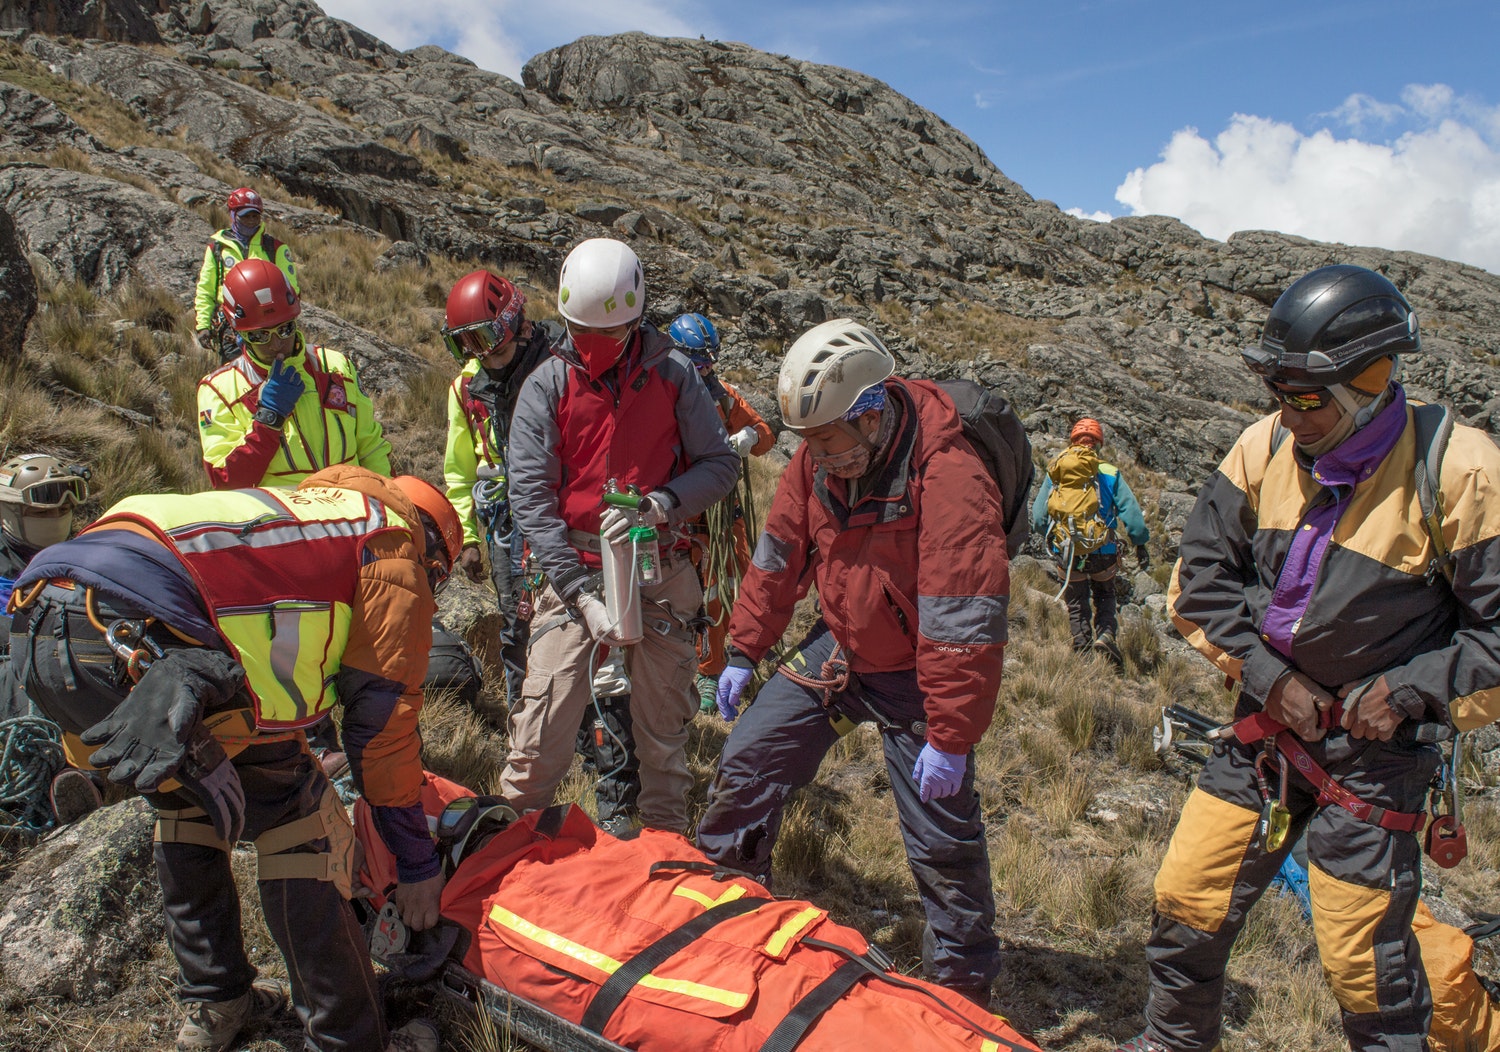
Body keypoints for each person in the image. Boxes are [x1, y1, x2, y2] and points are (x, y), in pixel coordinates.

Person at [1117, 265, 1500, 1052]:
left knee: (1367, 967)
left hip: (1376, 760)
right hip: (1264, 730)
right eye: (1277, 392)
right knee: (1186, 901)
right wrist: (1271, 679)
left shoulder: (1463, 472)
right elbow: (1200, 583)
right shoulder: (1263, 446)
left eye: (1305, 396)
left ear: (1371, 381)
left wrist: (1402, 690)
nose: (1287, 415)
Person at [8, 465, 455, 1052]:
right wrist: (417, 866)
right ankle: (350, 1038)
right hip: (145, 644)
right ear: (434, 551)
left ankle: (216, 1003)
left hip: (40, 618)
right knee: (304, 823)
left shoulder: (305, 512)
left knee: (189, 806)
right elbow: (383, 734)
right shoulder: (392, 549)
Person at [696, 318, 1009, 1007]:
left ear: (870, 417)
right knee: (748, 761)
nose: (817, 458)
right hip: (840, 649)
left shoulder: (951, 476)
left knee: (941, 840)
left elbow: (964, 622)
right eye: (808, 443)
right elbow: (778, 560)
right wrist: (744, 649)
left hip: (922, 678)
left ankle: (963, 994)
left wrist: (950, 739)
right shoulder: (816, 462)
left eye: (829, 442)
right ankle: (725, 908)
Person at [506, 237, 739, 834]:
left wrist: (663, 504)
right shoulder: (547, 385)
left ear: (635, 322)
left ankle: (664, 856)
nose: (591, 348)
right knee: (541, 737)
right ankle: (504, 853)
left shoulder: (673, 374)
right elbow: (531, 499)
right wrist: (581, 594)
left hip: (658, 570)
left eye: (605, 336)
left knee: (663, 741)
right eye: (578, 333)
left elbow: (719, 464)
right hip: (572, 573)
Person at [440, 269, 558, 705]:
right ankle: (522, 717)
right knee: (517, 620)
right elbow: (459, 469)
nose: (487, 360)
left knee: (570, 619)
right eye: (474, 350)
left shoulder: (560, 369)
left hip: (563, 518)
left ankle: (581, 727)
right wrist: (467, 538)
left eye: (497, 348)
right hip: (505, 525)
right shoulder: (468, 389)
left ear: (519, 325)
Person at [197, 257, 391, 489]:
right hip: (282, 520)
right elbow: (226, 482)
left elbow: (372, 448)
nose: (276, 343)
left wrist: (389, 502)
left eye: (285, 328)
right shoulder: (219, 391)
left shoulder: (336, 367)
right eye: (260, 335)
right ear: (240, 334)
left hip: (350, 515)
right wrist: (268, 420)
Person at [665, 311, 775, 712]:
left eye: (710, 360)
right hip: (681, 517)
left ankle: (723, 666)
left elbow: (765, 435)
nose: (706, 368)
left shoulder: (722, 395)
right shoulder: (661, 399)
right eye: (699, 361)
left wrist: (748, 436)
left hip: (723, 517)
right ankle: (690, 668)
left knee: (730, 588)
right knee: (686, 594)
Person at [0, 454, 105, 822]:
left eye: (65, 504)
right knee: (18, 664)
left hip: (70, 663)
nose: (57, 515)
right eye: (43, 509)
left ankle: (83, 778)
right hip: (21, 674)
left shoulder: (86, 555)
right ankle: (36, 784)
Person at [1030, 416, 1150, 661]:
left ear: (1073, 440)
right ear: (1098, 443)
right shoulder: (1109, 472)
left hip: (1069, 550)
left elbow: (1039, 516)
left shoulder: (1057, 470)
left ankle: (1082, 650)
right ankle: (1105, 636)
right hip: (1103, 550)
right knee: (1105, 595)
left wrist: (1054, 539)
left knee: (1076, 601)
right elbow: (1132, 515)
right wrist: (1140, 543)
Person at [193, 187, 299, 362]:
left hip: (270, 328)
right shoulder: (217, 250)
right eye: (245, 216)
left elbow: (291, 289)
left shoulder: (275, 249)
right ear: (233, 215)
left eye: (255, 216)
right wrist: (203, 325)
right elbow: (206, 290)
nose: (251, 221)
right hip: (231, 329)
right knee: (237, 381)